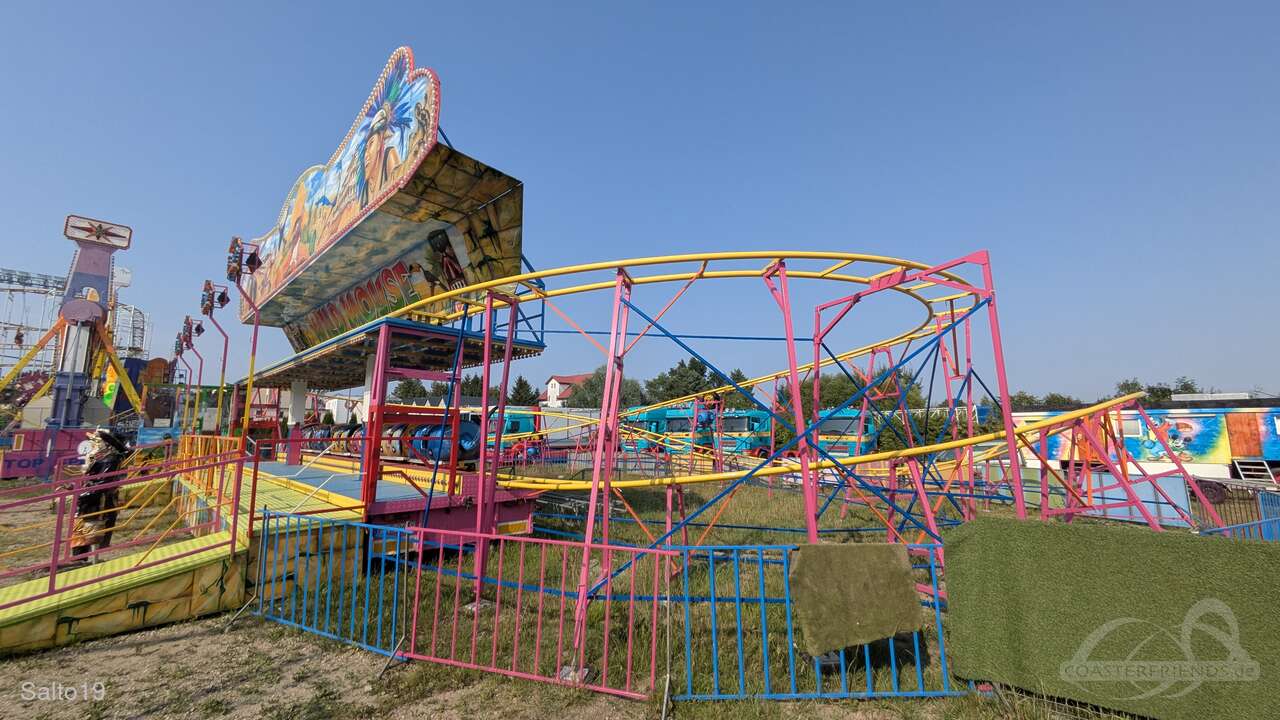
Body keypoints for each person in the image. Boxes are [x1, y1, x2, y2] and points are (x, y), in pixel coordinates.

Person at [69, 428, 129, 562]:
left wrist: (83, 492)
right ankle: (79, 560)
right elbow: (90, 477)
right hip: (89, 499)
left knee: (90, 531)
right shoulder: (101, 458)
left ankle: (84, 560)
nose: (95, 444)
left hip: (96, 501)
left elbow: (103, 483)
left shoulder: (111, 460)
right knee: (80, 532)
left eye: (98, 441)